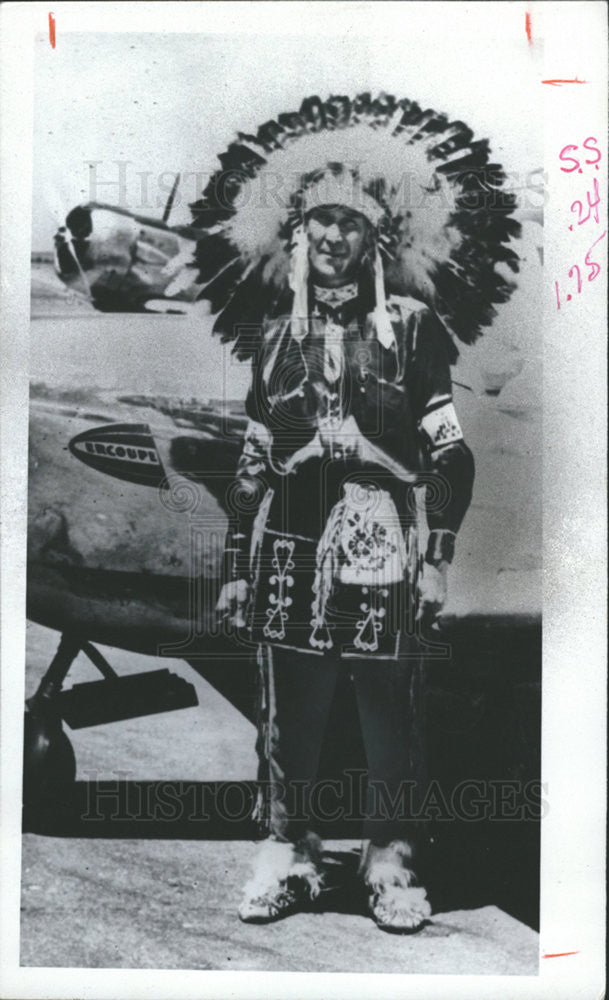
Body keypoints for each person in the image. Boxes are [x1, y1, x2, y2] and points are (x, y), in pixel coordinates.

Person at [200, 93, 518, 933]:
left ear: (375, 237)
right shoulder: (276, 339)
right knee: (290, 712)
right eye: (317, 224)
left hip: (381, 546)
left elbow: (448, 452)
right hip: (291, 548)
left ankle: (391, 859)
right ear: (297, 235)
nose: (331, 238)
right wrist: (236, 568)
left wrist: (434, 551)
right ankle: (289, 851)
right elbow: (251, 462)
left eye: (347, 224)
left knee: (389, 709)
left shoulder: (413, 331)